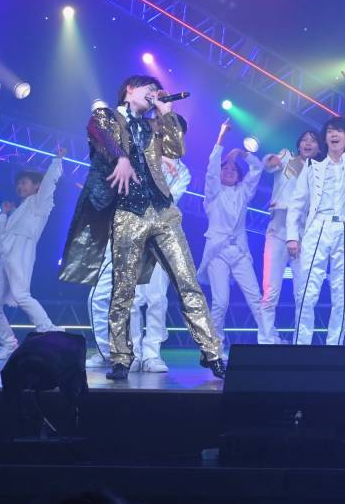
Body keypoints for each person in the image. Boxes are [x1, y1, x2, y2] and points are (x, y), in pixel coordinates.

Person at [61, 76, 224, 379]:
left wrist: (166, 113)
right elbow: (99, 133)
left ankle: (212, 353)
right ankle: (121, 357)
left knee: (187, 282)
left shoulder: (153, 125)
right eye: (148, 89)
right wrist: (121, 158)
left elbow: (176, 149)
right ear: (129, 89)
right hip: (127, 213)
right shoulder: (107, 116)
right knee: (123, 289)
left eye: (156, 91)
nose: (153, 93)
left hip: (162, 213)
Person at [286, 75, 345, 347]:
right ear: (325, 138)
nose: (334, 135)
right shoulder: (312, 166)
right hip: (317, 228)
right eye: (330, 131)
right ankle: (301, 346)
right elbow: (297, 203)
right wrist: (292, 236)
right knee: (307, 289)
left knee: (341, 291)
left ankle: (334, 347)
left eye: (339, 131)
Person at [86, 156, 188, 372]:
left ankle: (152, 354)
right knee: (130, 298)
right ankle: (134, 353)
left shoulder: (182, 172)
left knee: (156, 298)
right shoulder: (137, 156)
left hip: (160, 238)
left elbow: (167, 201)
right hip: (130, 236)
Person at [199, 119, 275, 352]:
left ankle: (269, 341)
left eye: (233, 169)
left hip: (240, 252)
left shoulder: (243, 192)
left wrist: (241, 154)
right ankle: (215, 347)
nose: (229, 171)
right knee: (220, 302)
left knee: (256, 298)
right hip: (217, 252)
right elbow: (212, 168)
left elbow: (257, 168)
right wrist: (221, 137)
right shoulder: (213, 194)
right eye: (226, 169)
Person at [0, 147, 63, 358]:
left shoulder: (40, 203)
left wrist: (56, 161)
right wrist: (3, 214)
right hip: (0, 256)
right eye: (18, 184)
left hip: (20, 254)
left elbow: (48, 184)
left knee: (21, 295)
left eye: (24, 183)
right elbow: (0, 235)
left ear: (36, 185)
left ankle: (47, 327)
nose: (19, 186)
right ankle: (9, 343)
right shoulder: (18, 210)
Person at [259, 129, 323, 343]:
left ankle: (300, 343)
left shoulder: (320, 171)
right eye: (304, 139)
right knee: (270, 291)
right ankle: (266, 340)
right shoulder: (289, 158)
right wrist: (272, 160)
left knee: (303, 294)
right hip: (278, 231)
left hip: (304, 235)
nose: (308, 143)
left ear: (319, 148)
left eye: (313, 141)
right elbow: (270, 165)